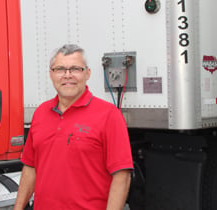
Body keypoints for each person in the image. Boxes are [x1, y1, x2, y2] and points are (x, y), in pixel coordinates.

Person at [14, 44, 133, 210]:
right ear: (51, 74)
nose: (67, 75)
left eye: (75, 69)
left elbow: (122, 175)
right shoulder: (41, 113)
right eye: (60, 69)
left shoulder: (109, 115)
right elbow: (30, 167)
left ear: (87, 73)